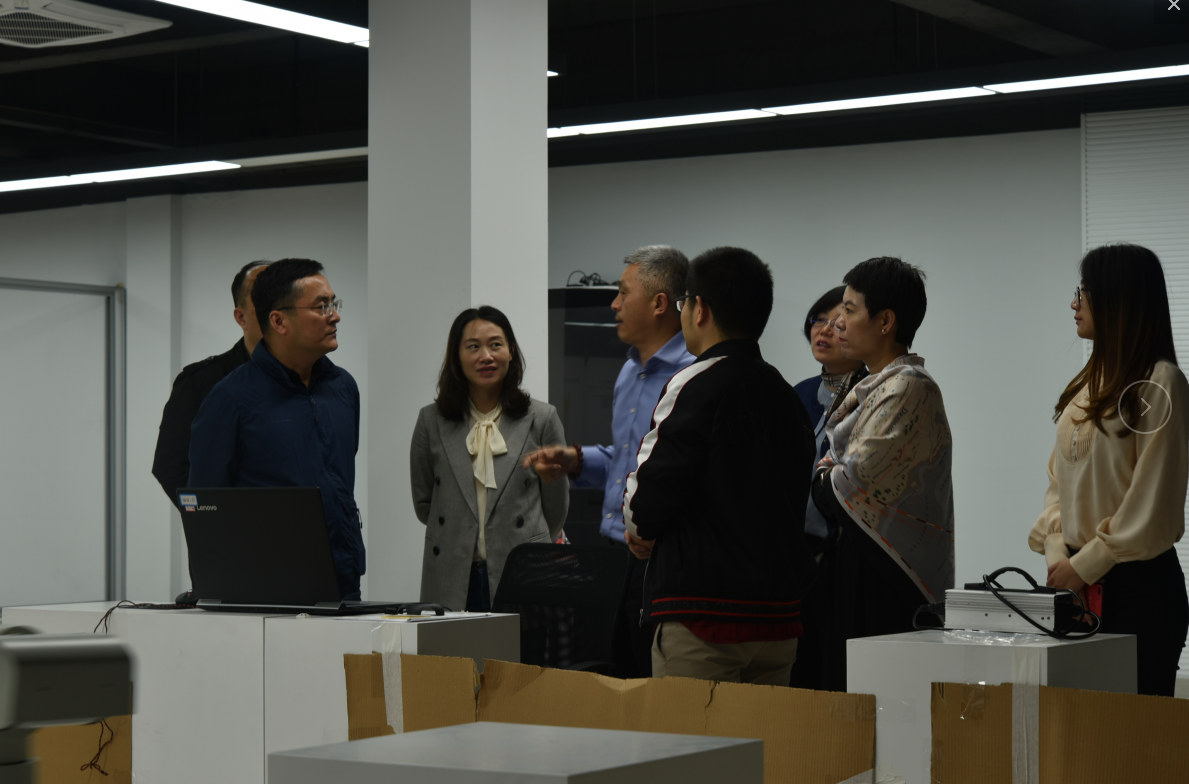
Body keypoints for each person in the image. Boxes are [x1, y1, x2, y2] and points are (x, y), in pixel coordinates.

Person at [621, 246, 817, 685]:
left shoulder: (695, 383)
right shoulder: (788, 396)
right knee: (763, 733)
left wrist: (640, 531)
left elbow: (644, 506)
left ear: (700, 308)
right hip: (778, 619)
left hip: (703, 618)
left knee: (689, 732)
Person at [520, 245, 694, 677]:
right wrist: (576, 461)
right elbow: (630, 459)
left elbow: (686, 476)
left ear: (659, 303)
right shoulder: (630, 370)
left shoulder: (692, 376)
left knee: (654, 681)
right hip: (615, 554)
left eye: (623, 293)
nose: (614, 304)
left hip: (664, 558)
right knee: (613, 675)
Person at [1028, 243, 1189, 697]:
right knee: (1080, 729)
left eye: (1084, 292)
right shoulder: (1085, 387)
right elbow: (1058, 487)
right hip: (1076, 587)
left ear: (1119, 297)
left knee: (1132, 733)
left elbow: (1152, 504)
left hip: (1138, 592)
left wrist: (1083, 566)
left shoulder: (1160, 383)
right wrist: (1060, 558)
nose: (1074, 303)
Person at [812, 256, 954, 692]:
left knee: (876, 703)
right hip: (857, 562)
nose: (838, 323)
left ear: (886, 321)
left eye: (849, 310)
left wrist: (826, 473)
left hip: (886, 572)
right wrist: (828, 472)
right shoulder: (874, 385)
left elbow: (842, 485)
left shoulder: (907, 386)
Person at [188, 258, 365, 600]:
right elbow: (204, 510)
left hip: (342, 582)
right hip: (265, 590)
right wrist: (213, 593)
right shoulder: (230, 399)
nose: (335, 316)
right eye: (321, 306)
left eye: (334, 304)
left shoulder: (343, 388)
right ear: (279, 321)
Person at [411, 306, 569, 613]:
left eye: (495, 344)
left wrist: (527, 540)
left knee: (521, 646)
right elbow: (425, 502)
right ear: (457, 357)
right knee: (452, 646)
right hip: (451, 572)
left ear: (511, 351)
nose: (486, 356)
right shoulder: (431, 421)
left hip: (522, 569)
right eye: (473, 347)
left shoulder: (542, 418)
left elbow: (556, 504)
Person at [789, 286, 866, 690]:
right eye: (819, 320)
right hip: (792, 553)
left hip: (841, 553)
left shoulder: (873, 396)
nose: (823, 330)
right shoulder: (798, 393)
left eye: (837, 323)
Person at [152, 260, 269, 505]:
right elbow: (171, 466)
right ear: (241, 317)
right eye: (266, 300)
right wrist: (213, 517)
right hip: (234, 525)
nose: (276, 311)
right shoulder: (202, 381)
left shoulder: (317, 378)